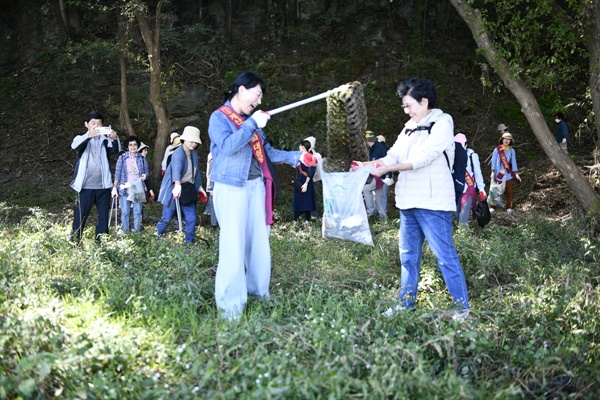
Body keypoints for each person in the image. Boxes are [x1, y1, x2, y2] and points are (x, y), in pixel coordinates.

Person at [208, 70, 316, 320]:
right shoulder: (220, 118)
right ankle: (230, 309)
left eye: (260, 99)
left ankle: (258, 294)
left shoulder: (251, 122)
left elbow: (266, 153)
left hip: (256, 186)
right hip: (232, 186)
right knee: (233, 245)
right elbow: (227, 148)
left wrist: (296, 157)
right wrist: (252, 124)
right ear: (241, 89)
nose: (258, 102)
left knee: (259, 243)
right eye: (256, 96)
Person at [359, 77, 470, 321]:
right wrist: (364, 166)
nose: (407, 111)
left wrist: (388, 169)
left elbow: (425, 157)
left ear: (424, 101)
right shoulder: (409, 126)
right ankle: (405, 304)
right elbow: (391, 156)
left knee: (445, 256)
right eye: (405, 107)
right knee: (408, 257)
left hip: (433, 203)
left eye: (409, 105)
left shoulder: (443, 122)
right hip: (407, 202)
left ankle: (462, 309)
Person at [70, 111, 120, 242]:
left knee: (103, 217)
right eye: (93, 123)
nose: (96, 126)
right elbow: (75, 146)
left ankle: (101, 243)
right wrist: (88, 136)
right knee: (80, 216)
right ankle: (75, 242)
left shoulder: (105, 140)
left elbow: (115, 150)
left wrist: (114, 138)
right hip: (84, 186)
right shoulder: (80, 138)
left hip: (103, 187)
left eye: (99, 123)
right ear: (86, 124)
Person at [156, 126, 207, 243]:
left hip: (187, 189)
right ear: (184, 139)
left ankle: (189, 243)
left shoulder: (193, 154)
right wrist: (177, 185)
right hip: (173, 188)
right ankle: (154, 237)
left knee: (191, 218)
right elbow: (176, 169)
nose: (193, 144)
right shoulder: (178, 153)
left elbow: (196, 171)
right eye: (191, 141)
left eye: (195, 142)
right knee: (167, 217)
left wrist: (199, 188)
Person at [113, 136, 150, 233]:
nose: (133, 147)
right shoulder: (122, 158)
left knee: (137, 212)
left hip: (137, 189)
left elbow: (146, 172)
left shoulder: (141, 158)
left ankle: (137, 233)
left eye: (134, 145)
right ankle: (126, 233)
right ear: (127, 146)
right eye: (130, 145)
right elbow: (117, 174)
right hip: (125, 189)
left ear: (137, 146)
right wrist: (114, 187)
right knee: (125, 212)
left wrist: (144, 176)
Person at [454, 133, 486, 224]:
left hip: (468, 189)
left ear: (466, 144)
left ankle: (464, 234)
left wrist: (481, 188)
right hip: (455, 190)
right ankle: (462, 235)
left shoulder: (472, 156)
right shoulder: (452, 155)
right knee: (457, 215)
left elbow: (478, 173)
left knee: (463, 217)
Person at [490, 132, 521, 213]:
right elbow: (493, 161)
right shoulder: (497, 149)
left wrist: (516, 173)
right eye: (505, 139)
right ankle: (492, 206)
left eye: (508, 140)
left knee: (509, 191)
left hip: (508, 174)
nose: (507, 141)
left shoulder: (512, 150)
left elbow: (514, 162)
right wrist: (493, 172)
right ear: (502, 140)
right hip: (498, 174)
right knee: (495, 190)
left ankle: (509, 207)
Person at [362, 131, 388, 219]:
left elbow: (381, 162)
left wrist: (388, 176)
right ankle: (383, 216)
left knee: (366, 189)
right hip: (379, 175)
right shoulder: (374, 147)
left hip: (380, 175)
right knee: (379, 197)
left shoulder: (379, 148)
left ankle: (370, 212)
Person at [292, 138, 317, 224]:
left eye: (300, 145)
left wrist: (306, 183)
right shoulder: (299, 156)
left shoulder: (311, 157)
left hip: (307, 181)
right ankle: (296, 219)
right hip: (300, 180)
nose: (299, 147)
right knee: (299, 200)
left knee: (307, 201)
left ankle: (307, 220)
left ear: (303, 146)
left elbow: (311, 171)